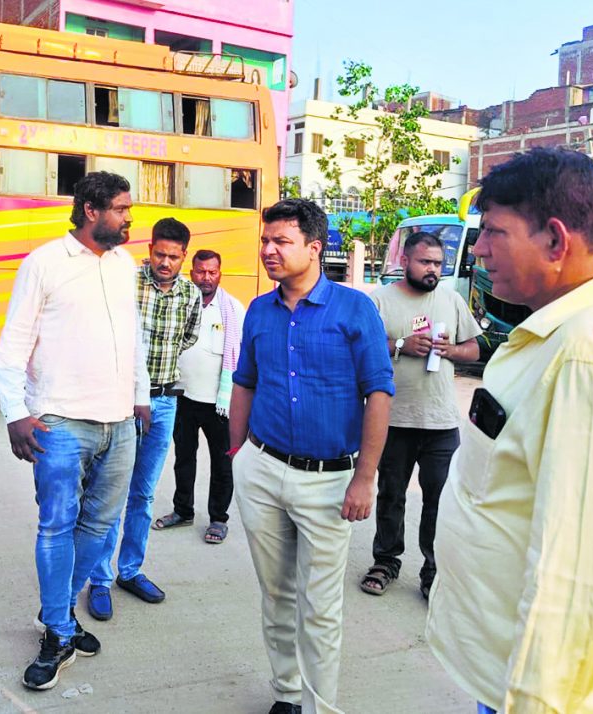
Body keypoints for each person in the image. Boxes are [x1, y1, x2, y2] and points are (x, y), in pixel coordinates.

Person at [426, 148, 593, 714]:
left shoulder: (590, 353)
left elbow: (580, 570)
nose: (479, 250)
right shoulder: (568, 331)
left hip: (550, 691)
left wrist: (535, 700)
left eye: (494, 232)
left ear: (555, 240)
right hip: (510, 668)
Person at [229, 198, 394, 714]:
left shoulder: (355, 309)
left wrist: (365, 477)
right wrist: (237, 456)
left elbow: (379, 393)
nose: (268, 250)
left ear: (315, 247)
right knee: (276, 594)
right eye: (265, 240)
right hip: (262, 468)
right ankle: (287, 694)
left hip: (329, 481)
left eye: (281, 241)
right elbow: (244, 383)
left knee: (320, 607)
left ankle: (322, 705)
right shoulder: (259, 310)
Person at [0, 171, 149, 691]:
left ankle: (56, 610)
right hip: (59, 422)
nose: (129, 218)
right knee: (57, 526)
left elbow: (132, 337)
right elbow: (12, 345)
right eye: (122, 209)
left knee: (100, 527)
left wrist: (141, 395)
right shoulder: (44, 263)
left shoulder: (124, 265)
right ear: (91, 211)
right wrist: (15, 413)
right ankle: (58, 631)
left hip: (119, 422)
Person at [86, 217, 202, 619]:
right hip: (120, 404)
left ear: (184, 257)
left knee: (143, 494)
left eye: (174, 257)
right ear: (149, 250)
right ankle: (99, 579)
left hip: (165, 403)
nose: (165, 263)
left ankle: (130, 570)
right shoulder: (127, 282)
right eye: (159, 254)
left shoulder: (190, 294)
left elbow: (188, 337)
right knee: (110, 492)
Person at [361, 231, 480, 600]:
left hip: (441, 422)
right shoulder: (379, 300)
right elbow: (362, 348)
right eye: (425, 262)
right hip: (393, 420)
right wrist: (402, 345)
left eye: (438, 264)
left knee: (439, 501)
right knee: (391, 494)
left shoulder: (451, 300)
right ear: (405, 261)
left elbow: (474, 349)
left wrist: (450, 350)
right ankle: (386, 561)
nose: (433, 270)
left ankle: (433, 571)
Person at [154, 249, 245, 545]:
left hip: (219, 403)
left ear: (220, 274)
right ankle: (183, 510)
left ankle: (218, 519)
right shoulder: (180, 302)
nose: (206, 277)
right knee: (183, 458)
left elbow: (243, 354)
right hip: (182, 396)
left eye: (212, 272)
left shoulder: (232, 309)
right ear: (191, 272)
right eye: (201, 271)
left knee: (222, 463)